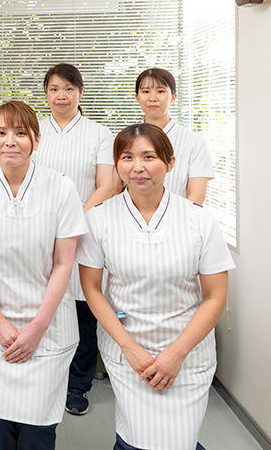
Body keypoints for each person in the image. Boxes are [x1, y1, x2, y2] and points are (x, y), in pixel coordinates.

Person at [77, 123, 233, 450]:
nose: (138, 167)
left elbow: (215, 296)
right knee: (136, 438)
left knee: (179, 441)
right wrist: (129, 349)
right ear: (117, 165)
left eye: (149, 157)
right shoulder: (99, 218)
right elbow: (92, 289)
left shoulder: (199, 220)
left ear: (170, 162)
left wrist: (176, 354)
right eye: (127, 157)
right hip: (128, 351)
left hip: (188, 353)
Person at [0, 101, 87, 450]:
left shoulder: (61, 187)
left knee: (37, 429)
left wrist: (37, 327)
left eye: (21, 133)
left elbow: (64, 262)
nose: (10, 141)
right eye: (1, 133)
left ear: (36, 140)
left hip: (48, 328)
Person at [34, 63, 115, 416]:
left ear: (80, 93)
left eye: (68, 88)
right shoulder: (34, 130)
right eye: (54, 89)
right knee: (45, 306)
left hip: (85, 232)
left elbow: (107, 185)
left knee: (84, 309)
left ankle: (77, 385)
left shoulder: (100, 134)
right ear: (46, 94)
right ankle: (47, 378)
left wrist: (74, 219)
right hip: (40, 231)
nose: (61, 96)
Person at [134, 68, 213, 204]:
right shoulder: (125, 140)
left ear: (173, 97)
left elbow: (196, 198)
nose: (152, 98)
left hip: (180, 216)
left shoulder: (194, 142)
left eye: (160, 91)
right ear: (137, 97)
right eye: (146, 91)